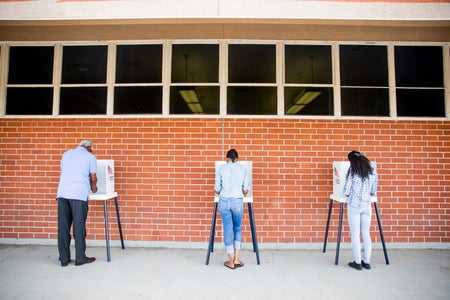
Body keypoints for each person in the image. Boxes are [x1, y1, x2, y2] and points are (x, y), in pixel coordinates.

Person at [56, 139, 98, 267]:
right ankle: (80, 257)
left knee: (63, 226)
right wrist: (94, 187)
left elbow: (67, 172)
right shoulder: (90, 157)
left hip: (62, 193)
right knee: (78, 226)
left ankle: (64, 258)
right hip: (78, 194)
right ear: (89, 147)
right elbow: (93, 177)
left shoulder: (66, 154)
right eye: (91, 148)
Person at [214, 149, 249, 269]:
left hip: (224, 201)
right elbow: (245, 190)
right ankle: (237, 258)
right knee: (237, 228)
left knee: (228, 230)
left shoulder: (222, 169)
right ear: (237, 158)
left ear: (227, 158)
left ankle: (230, 261)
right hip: (237, 202)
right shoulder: (243, 169)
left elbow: (217, 189)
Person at [343, 150, 378, 271]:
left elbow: (346, 190)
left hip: (354, 205)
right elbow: (373, 190)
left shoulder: (353, 171)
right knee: (366, 233)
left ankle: (357, 262)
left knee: (355, 233)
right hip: (367, 206)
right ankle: (366, 261)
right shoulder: (372, 171)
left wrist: (348, 194)